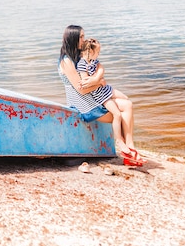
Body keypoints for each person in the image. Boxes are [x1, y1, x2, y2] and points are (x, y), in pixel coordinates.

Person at [58, 25, 145, 166]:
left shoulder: (78, 57)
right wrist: (99, 82)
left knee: (128, 104)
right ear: (73, 39)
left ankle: (130, 148)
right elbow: (81, 90)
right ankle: (126, 149)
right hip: (84, 104)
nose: (83, 40)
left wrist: (96, 78)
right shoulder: (67, 61)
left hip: (93, 97)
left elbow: (98, 66)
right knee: (121, 113)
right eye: (81, 37)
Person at [77, 38, 132, 157]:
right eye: (97, 52)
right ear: (90, 52)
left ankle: (127, 137)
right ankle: (119, 140)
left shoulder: (93, 61)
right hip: (101, 96)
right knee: (117, 114)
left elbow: (101, 68)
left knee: (126, 99)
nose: (98, 55)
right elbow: (85, 82)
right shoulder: (82, 65)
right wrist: (99, 81)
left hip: (106, 89)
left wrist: (98, 78)